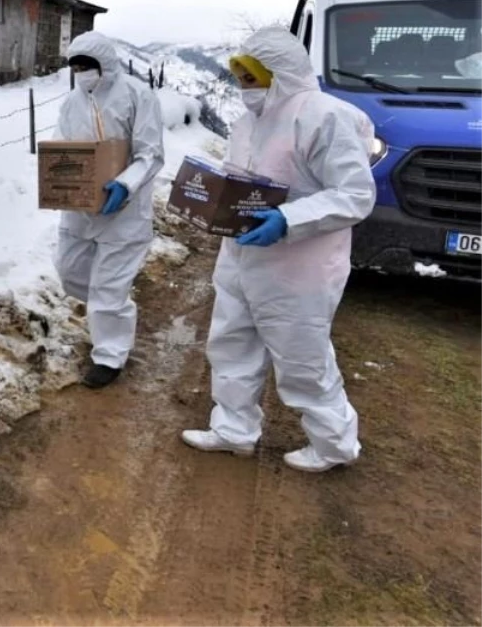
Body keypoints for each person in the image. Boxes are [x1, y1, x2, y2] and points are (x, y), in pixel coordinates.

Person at [182, 26, 377, 473]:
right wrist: (211, 199)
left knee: (302, 357)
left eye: (252, 78)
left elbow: (354, 194)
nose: (245, 88)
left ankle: (334, 445)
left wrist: (288, 220)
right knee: (230, 345)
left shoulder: (325, 117)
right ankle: (233, 429)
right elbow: (239, 177)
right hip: (242, 254)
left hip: (299, 265)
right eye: (241, 79)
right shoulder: (249, 120)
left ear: (280, 72)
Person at [54, 31, 165, 389]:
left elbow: (151, 153)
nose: (83, 72)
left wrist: (126, 183)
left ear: (106, 64)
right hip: (80, 209)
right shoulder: (72, 103)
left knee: (108, 287)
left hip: (124, 212)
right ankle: (108, 315)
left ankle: (110, 355)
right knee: (70, 271)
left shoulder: (137, 94)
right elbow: (62, 149)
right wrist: (59, 181)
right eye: (76, 67)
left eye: (88, 65)